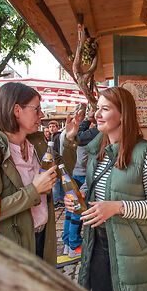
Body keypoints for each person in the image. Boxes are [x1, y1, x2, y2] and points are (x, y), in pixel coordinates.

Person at [64, 87, 147, 291]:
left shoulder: (146, 152)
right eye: (97, 108)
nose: (96, 114)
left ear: (123, 115)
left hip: (129, 248)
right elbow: (95, 187)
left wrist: (117, 207)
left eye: (105, 109)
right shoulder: (98, 150)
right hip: (98, 243)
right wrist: (76, 197)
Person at [0, 82, 79, 265]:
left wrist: (70, 139)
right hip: (12, 251)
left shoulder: (37, 145)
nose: (41, 115)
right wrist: (33, 190)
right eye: (36, 109)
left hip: (42, 239)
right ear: (16, 110)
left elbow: (64, 170)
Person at [61, 104, 91, 258]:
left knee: (69, 210)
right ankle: (74, 243)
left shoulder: (67, 131)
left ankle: (67, 242)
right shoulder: (78, 134)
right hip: (79, 176)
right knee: (76, 212)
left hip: (70, 175)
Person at [48, 120, 63, 206]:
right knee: (59, 181)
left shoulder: (57, 137)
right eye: (50, 127)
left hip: (56, 162)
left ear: (57, 127)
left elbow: (57, 151)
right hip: (57, 162)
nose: (51, 128)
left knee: (56, 182)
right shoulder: (52, 136)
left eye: (53, 126)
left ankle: (55, 202)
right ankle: (61, 200)